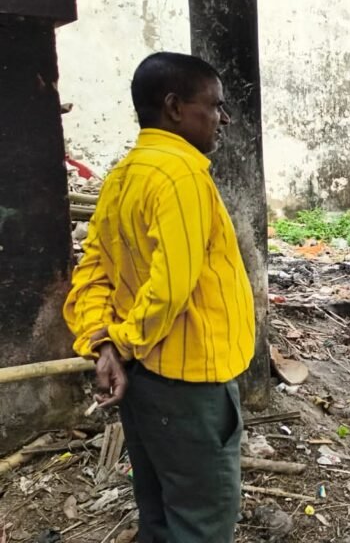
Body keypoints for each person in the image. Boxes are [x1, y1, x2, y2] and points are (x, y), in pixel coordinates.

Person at [63, 52, 254, 542]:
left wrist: (105, 345)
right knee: (200, 521)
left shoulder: (123, 176)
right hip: (188, 387)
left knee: (160, 514)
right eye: (214, 105)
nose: (223, 119)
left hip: (143, 383)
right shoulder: (181, 176)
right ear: (174, 107)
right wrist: (122, 344)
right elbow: (170, 290)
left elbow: (92, 272)